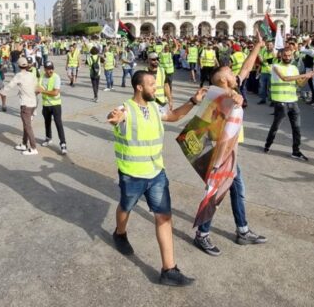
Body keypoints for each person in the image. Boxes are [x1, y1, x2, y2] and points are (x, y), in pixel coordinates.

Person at [106, 71, 207, 286]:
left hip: (156, 173)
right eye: (151, 84)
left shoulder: (154, 106)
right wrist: (115, 118)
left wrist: (193, 101)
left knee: (164, 217)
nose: (156, 87)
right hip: (132, 175)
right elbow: (116, 116)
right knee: (125, 207)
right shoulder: (126, 108)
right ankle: (120, 233)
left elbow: (174, 116)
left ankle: (169, 270)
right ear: (139, 87)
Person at [193, 33, 266, 257]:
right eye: (231, 75)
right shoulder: (218, 100)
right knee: (216, 192)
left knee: (235, 189)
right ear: (224, 81)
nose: (237, 75)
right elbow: (216, 132)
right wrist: (218, 163)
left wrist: (257, 47)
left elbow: (245, 68)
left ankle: (242, 230)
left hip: (230, 151)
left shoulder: (233, 88)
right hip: (221, 153)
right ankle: (203, 234)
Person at [264, 47, 314, 159]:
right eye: (285, 55)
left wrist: (308, 77)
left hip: (293, 102)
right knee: (276, 126)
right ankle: (268, 145)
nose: (287, 57)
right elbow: (285, 78)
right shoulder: (276, 66)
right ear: (280, 56)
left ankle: (296, 151)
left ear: (292, 56)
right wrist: (303, 75)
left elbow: (300, 84)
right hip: (281, 102)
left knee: (297, 128)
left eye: (289, 55)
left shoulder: (294, 68)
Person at [1, 56, 39, 155]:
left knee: (27, 126)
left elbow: (9, 86)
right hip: (33, 102)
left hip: (26, 104)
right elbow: (36, 89)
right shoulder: (32, 75)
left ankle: (33, 148)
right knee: (26, 125)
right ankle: (24, 144)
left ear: (18, 66)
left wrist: (1, 92)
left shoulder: (18, 75)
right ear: (27, 65)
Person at [37, 61, 66, 155]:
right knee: (47, 122)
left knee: (58, 123)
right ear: (45, 69)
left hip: (55, 104)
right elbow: (38, 88)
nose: (50, 71)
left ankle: (63, 143)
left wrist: (43, 91)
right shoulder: (41, 76)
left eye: (52, 69)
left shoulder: (56, 77)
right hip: (45, 104)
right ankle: (48, 138)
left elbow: (55, 93)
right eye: (48, 69)